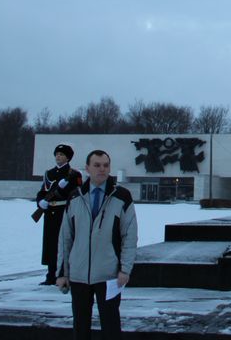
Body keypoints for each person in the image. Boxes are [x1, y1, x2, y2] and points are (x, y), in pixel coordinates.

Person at [57, 150, 138, 340]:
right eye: (97, 165)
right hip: (79, 274)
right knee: (80, 327)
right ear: (87, 168)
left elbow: (130, 236)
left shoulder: (121, 197)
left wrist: (125, 269)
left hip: (109, 275)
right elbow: (65, 237)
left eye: (106, 165)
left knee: (110, 327)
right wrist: (62, 273)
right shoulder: (75, 197)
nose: (102, 169)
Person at [35, 144, 82, 285]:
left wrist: (63, 189)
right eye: (57, 154)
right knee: (50, 244)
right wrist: (40, 202)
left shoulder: (73, 174)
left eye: (61, 154)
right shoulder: (49, 173)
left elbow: (77, 194)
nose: (58, 157)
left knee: (64, 243)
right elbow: (43, 191)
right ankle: (51, 275)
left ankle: (64, 273)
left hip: (64, 211)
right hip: (50, 212)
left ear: (68, 157)